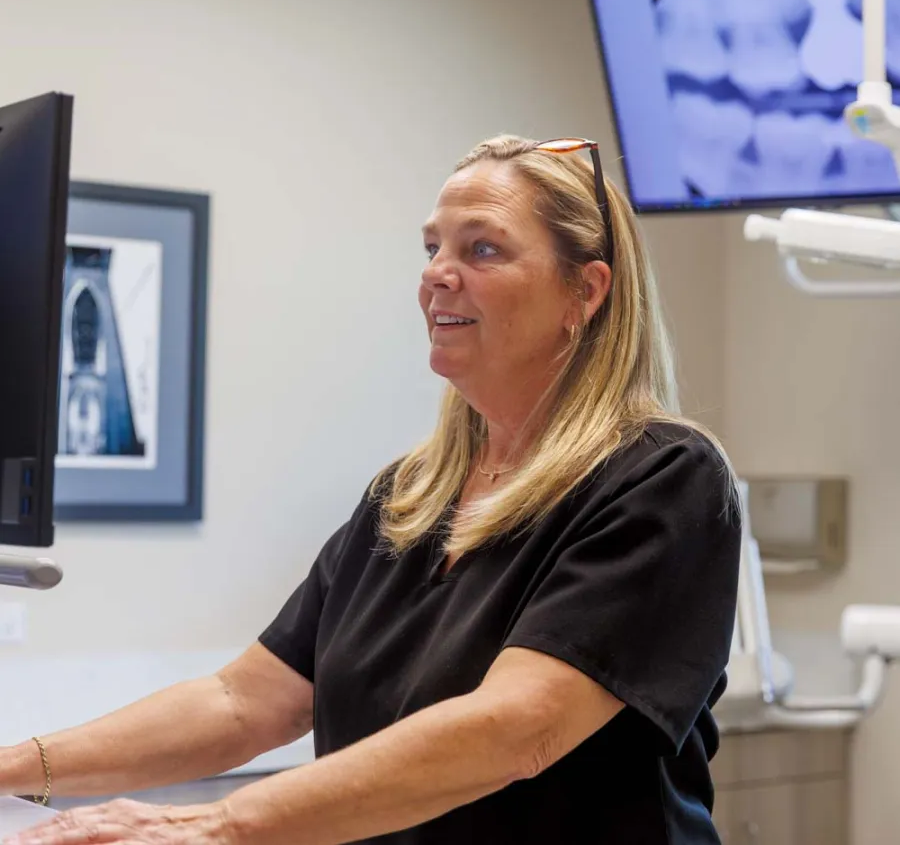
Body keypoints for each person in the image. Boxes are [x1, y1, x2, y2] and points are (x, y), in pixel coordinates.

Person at [0, 134, 742, 845]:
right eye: (432, 248)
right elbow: (246, 702)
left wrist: (214, 825)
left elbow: (516, 730)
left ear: (585, 290)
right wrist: (12, 770)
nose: (436, 274)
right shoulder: (409, 496)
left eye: (481, 248)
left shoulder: (662, 479)